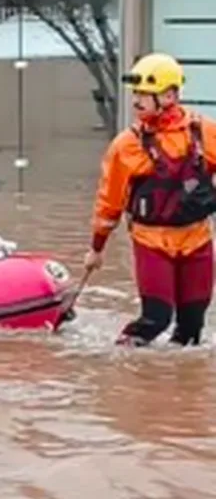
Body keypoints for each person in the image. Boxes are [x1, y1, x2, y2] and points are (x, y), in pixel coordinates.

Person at [84, 52, 216, 347]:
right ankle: (120, 363)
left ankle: (175, 388)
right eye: (136, 94)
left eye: (145, 94)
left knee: (192, 327)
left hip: (197, 241)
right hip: (152, 242)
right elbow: (109, 201)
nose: (136, 101)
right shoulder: (126, 145)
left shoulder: (205, 133)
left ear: (170, 95)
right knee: (156, 320)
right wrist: (97, 248)